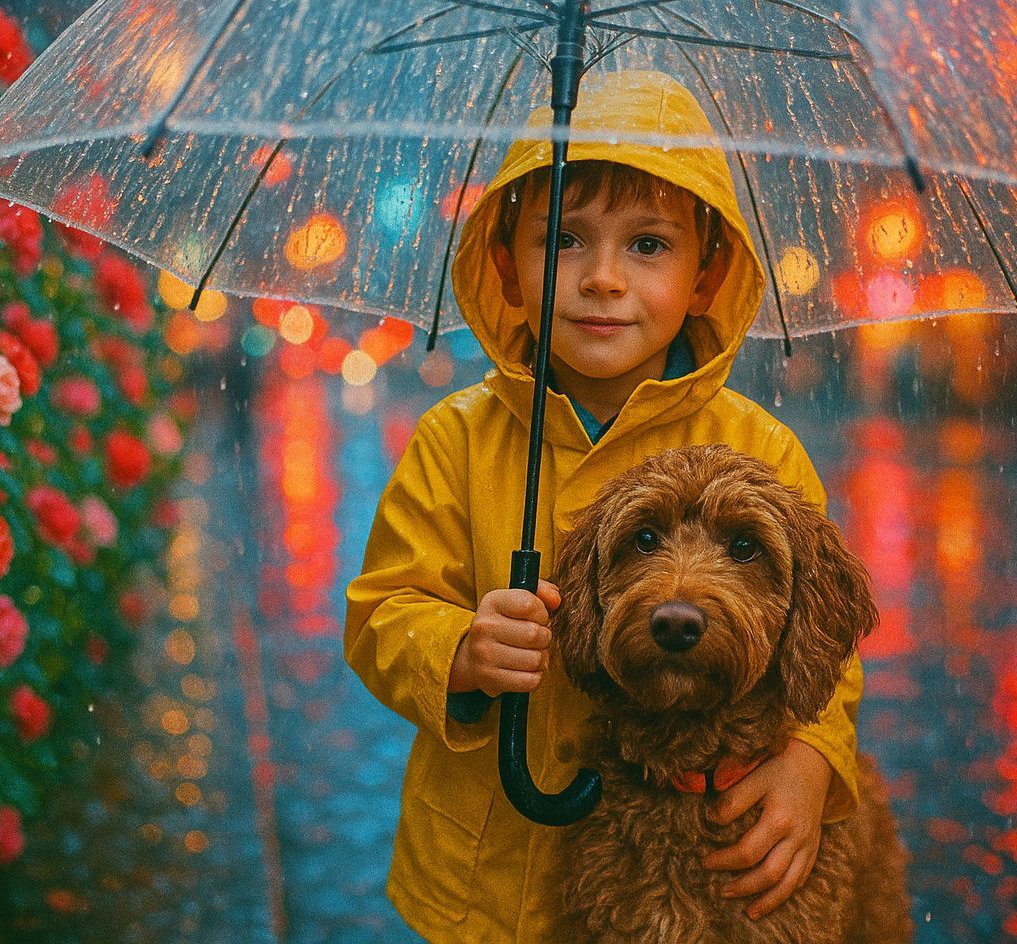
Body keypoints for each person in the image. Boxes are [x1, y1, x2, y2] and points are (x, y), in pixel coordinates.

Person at [343, 69, 863, 943]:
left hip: (687, 877)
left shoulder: (762, 449)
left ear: (708, 273)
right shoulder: (456, 439)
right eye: (566, 241)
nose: (604, 280)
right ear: (508, 265)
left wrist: (816, 761)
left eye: (649, 245)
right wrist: (459, 650)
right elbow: (380, 612)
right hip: (487, 875)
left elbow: (822, 639)